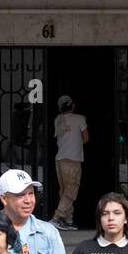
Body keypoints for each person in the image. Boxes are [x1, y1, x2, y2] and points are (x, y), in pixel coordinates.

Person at [52, 95, 89, 230]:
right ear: (73, 105)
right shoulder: (80, 119)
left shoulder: (58, 119)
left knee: (64, 192)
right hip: (73, 160)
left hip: (60, 160)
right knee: (71, 191)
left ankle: (68, 220)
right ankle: (57, 217)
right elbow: (86, 138)